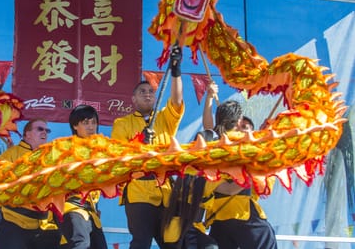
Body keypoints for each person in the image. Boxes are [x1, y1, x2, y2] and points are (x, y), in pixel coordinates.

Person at [111, 46, 184, 249]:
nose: (148, 94)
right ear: (133, 100)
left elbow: (177, 102)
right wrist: (139, 144)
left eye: (151, 91)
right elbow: (119, 155)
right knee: (141, 242)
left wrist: (176, 71)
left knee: (173, 244)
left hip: (166, 193)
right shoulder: (122, 124)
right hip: (138, 192)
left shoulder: (164, 119)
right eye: (142, 92)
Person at [200, 95, 278, 249]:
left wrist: (209, 99)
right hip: (244, 215)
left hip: (219, 218)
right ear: (237, 122)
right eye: (242, 123)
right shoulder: (245, 146)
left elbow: (208, 127)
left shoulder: (213, 145)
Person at [0, 118, 62, 249]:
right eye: (40, 129)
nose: (45, 133)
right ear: (27, 134)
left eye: (47, 130)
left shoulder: (51, 159)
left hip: (45, 225)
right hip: (12, 220)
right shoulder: (12, 154)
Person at [57, 105, 108, 249]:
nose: (91, 127)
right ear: (75, 126)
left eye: (93, 122)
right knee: (80, 244)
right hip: (72, 207)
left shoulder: (100, 150)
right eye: (86, 123)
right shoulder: (66, 149)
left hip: (91, 212)